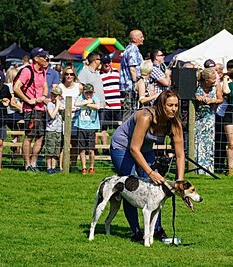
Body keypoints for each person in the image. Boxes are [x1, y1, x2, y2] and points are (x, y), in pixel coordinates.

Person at [110, 90, 185, 242]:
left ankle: (156, 229)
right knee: (130, 186)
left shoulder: (175, 123)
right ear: (160, 105)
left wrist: (180, 181)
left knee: (155, 189)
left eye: (176, 105)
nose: (174, 109)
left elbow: (180, 155)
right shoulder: (145, 117)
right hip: (123, 147)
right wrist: (150, 172)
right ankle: (136, 231)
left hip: (145, 149)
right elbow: (133, 149)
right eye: (170, 105)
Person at [13, 47, 49, 171]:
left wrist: (43, 96)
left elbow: (45, 85)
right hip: (30, 109)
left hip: (41, 108)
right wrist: (28, 100)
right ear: (36, 59)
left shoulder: (43, 71)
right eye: (43, 57)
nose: (46, 58)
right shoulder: (27, 71)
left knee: (40, 136)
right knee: (29, 136)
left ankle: (34, 163)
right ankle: (27, 164)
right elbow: (16, 88)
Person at [194, 68, 223, 175]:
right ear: (206, 80)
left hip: (209, 118)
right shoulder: (197, 84)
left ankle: (207, 169)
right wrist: (198, 97)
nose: (215, 80)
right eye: (213, 79)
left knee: (208, 143)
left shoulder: (216, 86)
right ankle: (196, 168)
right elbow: (190, 95)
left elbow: (221, 99)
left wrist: (213, 100)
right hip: (197, 117)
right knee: (197, 142)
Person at [214, 59, 233, 173]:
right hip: (221, 113)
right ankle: (218, 165)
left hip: (231, 114)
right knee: (220, 141)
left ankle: (227, 165)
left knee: (230, 142)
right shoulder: (224, 79)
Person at [58, 65, 83, 171]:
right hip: (63, 116)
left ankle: (73, 165)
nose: (69, 76)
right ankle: (60, 166)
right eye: (67, 74)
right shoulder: (60, 87)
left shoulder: (79, 87)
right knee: (63, 143)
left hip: (76, 116)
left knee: (74, 142)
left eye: (71, 74)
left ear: (74, 76)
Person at [74, 83, 100, 174]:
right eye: (86, 93)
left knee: (91, 149)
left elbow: (98, 106)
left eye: (90, 93)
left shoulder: (95, 98)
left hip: (92, 127)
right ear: (83, 92)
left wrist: (87, 104)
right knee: (82, 149)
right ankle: (84, 167)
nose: (88, 95)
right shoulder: (81, 97)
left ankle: (92, 167)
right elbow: (76, 104)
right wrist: (86, 102)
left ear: (93, 92)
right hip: (81, 126)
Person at [99, 54, 122, 155]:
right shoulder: (99, 75)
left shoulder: (117, 73)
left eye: (108, 62)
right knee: (104, 128)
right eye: (104, 62)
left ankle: (117, 147)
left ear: (111, 62)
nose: (107, 64)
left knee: (119, 128)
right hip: (106, 106)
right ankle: (104, 149)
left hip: (117, 105)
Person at [120, 29, 144, 121]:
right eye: (141, 37)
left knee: (131, 110)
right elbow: (132, 69)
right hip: (130, 86)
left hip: (130, 86)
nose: (143, 38)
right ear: (134, 39)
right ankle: (125, 133)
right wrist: (136, 83)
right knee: (129, 111)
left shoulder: (130, 49)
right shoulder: (132, 50)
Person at [45, 85, 63, 174]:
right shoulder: (50, 104)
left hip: (58, 130)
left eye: (56, 96)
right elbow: (52, 115)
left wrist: (60, 106)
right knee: (50, 150)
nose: (54, 98)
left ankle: (54, 166)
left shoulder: (61, 104)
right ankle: (49, 167)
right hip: (51, 130)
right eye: (52, 95)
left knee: (56, 150)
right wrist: (57, 107)